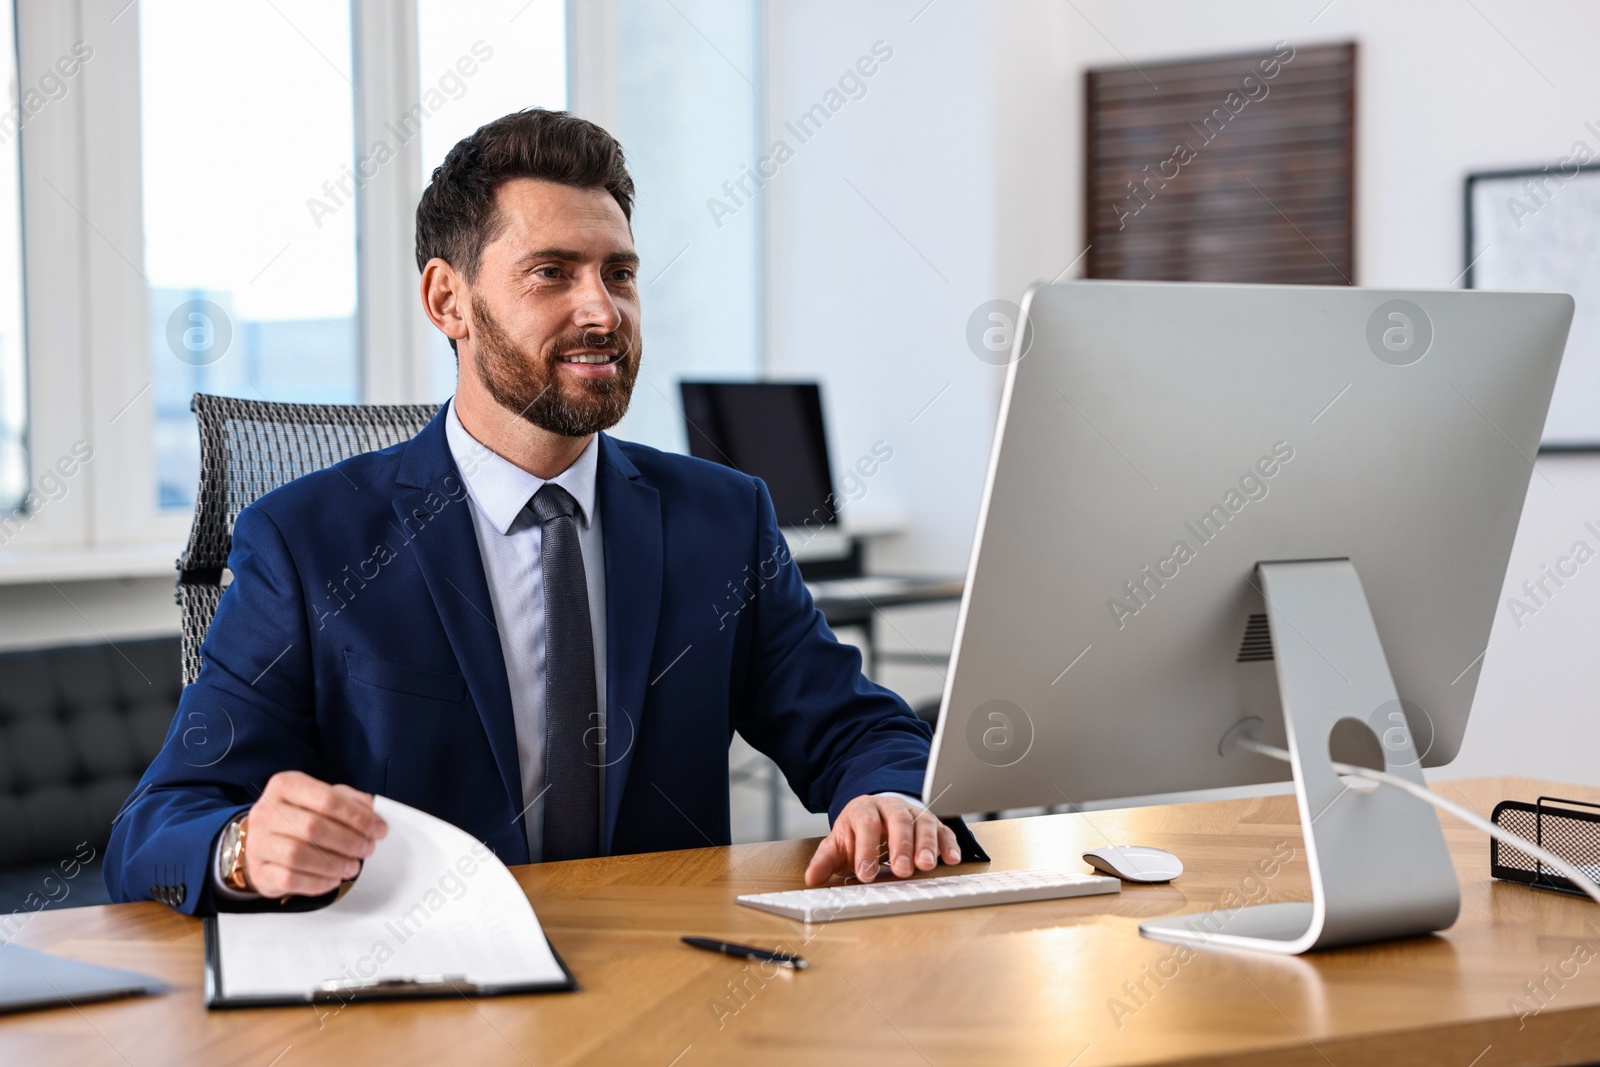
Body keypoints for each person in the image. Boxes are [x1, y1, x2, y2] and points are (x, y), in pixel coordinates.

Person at [105, 109, 959, 914]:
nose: (602, 311)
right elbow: (159, 825)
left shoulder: (721, 519)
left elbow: (854, 727)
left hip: (670, 983)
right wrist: (243, 845)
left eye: (619, 273)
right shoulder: (306, 543)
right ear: (448, 301)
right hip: (424, 1003)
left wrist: (883, 796)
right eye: (552, 272)